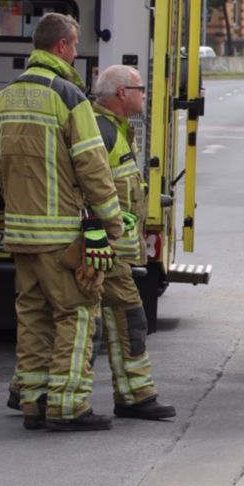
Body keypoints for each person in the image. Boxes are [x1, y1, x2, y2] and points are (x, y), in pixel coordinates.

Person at [0, 13, 121, 431]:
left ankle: (33, 402)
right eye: (76, 44)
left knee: (32, 316)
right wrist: (112, 222)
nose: (77, 51)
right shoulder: (68, 96)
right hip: (59, 234)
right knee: (77, 313)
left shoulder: (6, 96)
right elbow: (92, 166)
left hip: (20, 233)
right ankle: (68, 406)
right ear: (62, 46)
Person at [89, 65, 175, 421]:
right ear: (122, 93)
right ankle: (136, 396)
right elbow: (91, 191)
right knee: (128, 318)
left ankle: (33, 393)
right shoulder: (102, 131)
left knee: (82, 321)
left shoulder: (115, 129)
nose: (144, 94)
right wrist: (101, 239)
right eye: (140, 89)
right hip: (104, 251)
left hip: (109, 251)